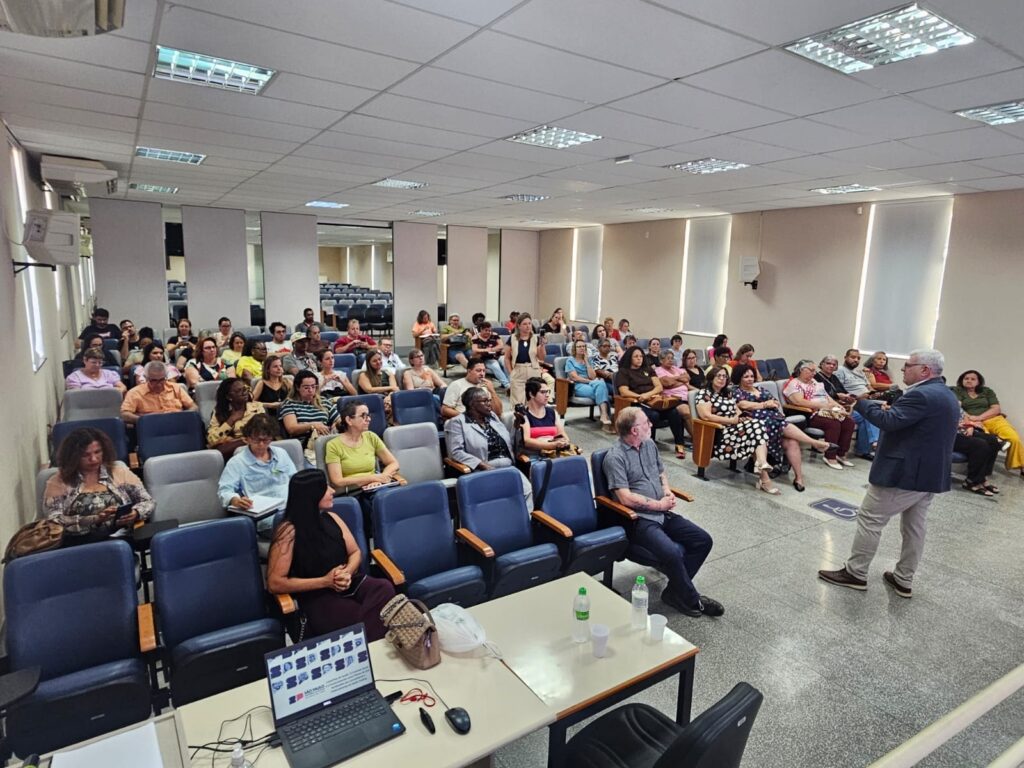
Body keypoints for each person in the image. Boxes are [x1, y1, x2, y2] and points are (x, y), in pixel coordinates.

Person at [819, 350, 960, 598]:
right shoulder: (945, 393)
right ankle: (904, 579)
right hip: (928, 473)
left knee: (870, 519)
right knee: (915, 527)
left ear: (925, 370)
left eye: (908, 366)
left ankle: (856, 573)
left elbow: (889, 423)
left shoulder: (921, 395)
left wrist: (860, 402)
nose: (903, 370)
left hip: (904, 472)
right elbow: (912, 424)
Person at [603, 407, 722, 618]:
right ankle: (692, 598)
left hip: (663, 512)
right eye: (646, 423)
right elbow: (625, 498)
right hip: (638, 519)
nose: (651, 425)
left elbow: (660, 472)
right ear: (633, 430)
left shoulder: (649, 445)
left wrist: (666, 491)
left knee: (703, 540)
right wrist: (659, 505)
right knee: (672, 552)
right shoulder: (615, 457)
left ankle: (675, 592)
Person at [267, 470, 395, 641]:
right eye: (325, 488)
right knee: (354, 614)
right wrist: (326, 581)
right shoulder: (288, 532)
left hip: (348, 582)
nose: (332, 491)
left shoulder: (333, 517)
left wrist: (347, 572)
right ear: (312, 496)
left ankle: (367, 641)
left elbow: (356, 552)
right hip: (316, 593)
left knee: (384, 587)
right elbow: (275, 583)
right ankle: (374, 646)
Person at [43, 427, 154, 545]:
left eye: (97, 452)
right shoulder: (60, 481)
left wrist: (136, 513)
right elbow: (54, 520)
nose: (93, 459)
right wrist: (94, 519)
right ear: (73, 456)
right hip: (77, 543)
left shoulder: (119, 472)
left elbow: (148, 501)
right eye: (85, 455)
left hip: (119, 539)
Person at [733, 364, 831, 492]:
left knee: (792, 441)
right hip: (756, 424)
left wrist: (769, 404)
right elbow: (743, 404)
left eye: (752, 376)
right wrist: (764, 404)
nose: (750, 379)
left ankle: (799, 478)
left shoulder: (761, 389)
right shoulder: (736, 391)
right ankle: (814, 442)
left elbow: (775, 402)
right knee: (780, 423)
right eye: (746, 377)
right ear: (739, 378)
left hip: (773, 419)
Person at [696, 366, 777, 494]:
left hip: (735, 429)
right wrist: (731, 421)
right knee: (757, 431)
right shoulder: (704, 393)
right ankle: (764, 475)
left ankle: (761, 464)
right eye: (719, 376)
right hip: (719, 433)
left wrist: (742, 418)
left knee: (758, 425)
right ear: (711, 378)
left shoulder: (727, 393)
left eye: (725, 376)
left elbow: (737, 411)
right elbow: (706, 416)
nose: (722, 379)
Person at [444, 387, 530, 500]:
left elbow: (510, 443)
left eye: (489, 400)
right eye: (485, 401)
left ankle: (524, 517)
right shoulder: (457, 422)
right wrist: (483, 465)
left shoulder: (492, 417)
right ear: (472, 404)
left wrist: (516, 426)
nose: (490, 404)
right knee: (503, 497)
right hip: (483, 469)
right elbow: (456, 452)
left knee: (527, 491)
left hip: (509, 467)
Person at [615, 346, 688, 460]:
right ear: (630, 358)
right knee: (654, 415)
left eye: (641, 356)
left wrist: (647, 395)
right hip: (636, 403)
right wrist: (640, 396)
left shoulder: (648, 369)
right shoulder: (624, 372)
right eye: (636, 356)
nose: (639, 359)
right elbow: (624, 391)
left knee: (674, 413)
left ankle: (679, 445)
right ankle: (649, 446)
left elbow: (659, 387)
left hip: (653, 400)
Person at [783, 360, 854, 470]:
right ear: (801, 370)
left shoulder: (814, 382)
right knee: (833, 423)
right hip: (810, 413)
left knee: (848, 422)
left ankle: (840, 454)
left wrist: (838, 406)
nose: (814, 373)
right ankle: (830, 456)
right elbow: (799, 402)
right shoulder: (795, 384)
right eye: (811, 370)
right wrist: (823, 406)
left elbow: (826, 396)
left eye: (814, 371)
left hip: (826, 410)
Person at [951, 370, 1023, 477]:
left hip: (994, 419)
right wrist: (971, 420)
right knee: (986, 442)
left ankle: (1022, 466)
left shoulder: (987, 391)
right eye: (966, 378)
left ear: (979, 381)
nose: (969, 381)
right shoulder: (957, 391)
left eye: (972, 379)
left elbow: (996, 408)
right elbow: (957, 407)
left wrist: (979, 417)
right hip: (972, 421)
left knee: (1014, 438)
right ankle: (982, 472)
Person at [218, 414, 297, 512]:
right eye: (257, 439)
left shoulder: (281, 454)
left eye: (266, 440)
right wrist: (235, 500)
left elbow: (295, 480)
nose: (261, 444)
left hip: (289, 507)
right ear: (247, 438)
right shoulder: (237, 462)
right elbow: (225, 490)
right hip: (262, 514)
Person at [324, 400, 400, 496]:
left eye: (368, 415)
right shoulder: (333, 445)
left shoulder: (371, 436)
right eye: (363, 416)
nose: (368, 419)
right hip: (353, 492)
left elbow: (393, 463)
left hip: (375, 487)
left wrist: (381, 478)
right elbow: (337, 481)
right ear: (349, 420)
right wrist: (373, 478)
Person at [833, 348, 881, 460]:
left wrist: (874, 394)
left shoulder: (860, 373)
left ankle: (863, 450)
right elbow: (838, 391)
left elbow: (870, 387)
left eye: (858, 358)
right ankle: (874, 442)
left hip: (867, 401)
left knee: (872, 414)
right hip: (852, 405)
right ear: (845, 358)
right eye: (853, 357)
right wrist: (859, 397)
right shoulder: (840, 371)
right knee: (870, 414)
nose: (856, 360)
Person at [121, 361, 197, 424]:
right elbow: (124, 414)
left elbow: (194, 407)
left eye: (162, 380)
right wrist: (144, 420)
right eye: (154, 380)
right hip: (150, 427)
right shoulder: (135, 392)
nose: (159, 384)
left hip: (177, 423)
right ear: (146, 378)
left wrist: (182, 416)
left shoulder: (176, 388)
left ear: (166, 377)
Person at [207, 378, 265, 458]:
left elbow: (265, 430)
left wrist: (239, 440)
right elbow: (211, 440)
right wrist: (231, 420)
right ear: (229, 397)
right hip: (231, 453)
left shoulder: (257, 407)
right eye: (239, 391)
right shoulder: (219, 412)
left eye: (245, 389)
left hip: (257, 448)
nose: (244, 392)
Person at [516, 377, 572, 458]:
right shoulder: (523, 414)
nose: (547, 395)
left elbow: (562, 433)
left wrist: (565, 442)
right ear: (531, 394)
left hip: (555, 452)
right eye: (543, 392)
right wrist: (551, 445)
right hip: (535, 454)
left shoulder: (552, 412)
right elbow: (527, 441)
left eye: (548, 391)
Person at [280, 370, 333, 454]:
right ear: (297, 387)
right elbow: (292, 428)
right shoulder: (289, 404)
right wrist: (313, 425)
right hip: (303, 445)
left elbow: (339, 420)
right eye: (306, 387)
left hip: (326, 441)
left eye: (313, 386)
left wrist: (335, 425)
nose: (311, 390)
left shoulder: (324, 401)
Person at [505, 312, 551, 407]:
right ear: (519, 326)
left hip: (533, 370)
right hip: (518, 370)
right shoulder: (512, 338)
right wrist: (511, 372)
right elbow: (507, 358)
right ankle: (519, 421)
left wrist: (542, 345)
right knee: (518, 402)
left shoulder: (535, 338)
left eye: (529, 323)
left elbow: (541, 358)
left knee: (534, 400)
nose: (528, 326)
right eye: (525, 324)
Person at [565, 340, 613, 431]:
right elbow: (575, 378)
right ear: (575, 348)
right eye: (579, 346)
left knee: (601, 384)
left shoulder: (589, 359)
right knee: (602, 390)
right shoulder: (570, 360)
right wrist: (590, 382)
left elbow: (593, 376)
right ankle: (605, 416)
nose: (582, 348)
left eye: (583, 346)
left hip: (591, 383)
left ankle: (603, 415)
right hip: (578, 385)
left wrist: (587, 361)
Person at [955, 408, 1001, 497]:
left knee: (993, 440)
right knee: (980, 445)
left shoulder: (952, 399)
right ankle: (971, 481)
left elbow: (963, 415)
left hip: (962, 430)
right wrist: (959, 425)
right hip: (949, 434)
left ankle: (982, 478)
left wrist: (970, 426)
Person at [654, 349, 693, 438]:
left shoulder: (676, 368)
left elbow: (687, 377)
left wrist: (674, 380)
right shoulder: (659, 370)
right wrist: (681, 380)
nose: (671, 360)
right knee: (686, 412)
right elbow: (667, 383)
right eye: (668, 358)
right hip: (674, 399)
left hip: (688, 396)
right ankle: (698, 440)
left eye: (672, 358)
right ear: (661, 360)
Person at [357, 349, 399, 420]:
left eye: (379, 359)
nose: (378, 362)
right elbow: (369, 390)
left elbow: (394, 389)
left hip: (387, 401)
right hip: (371, 401)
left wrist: (389, 397)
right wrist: (390, 388)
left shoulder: (388, 373)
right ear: (369, 363)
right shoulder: (364, 375)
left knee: (393, 401)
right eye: (374, 361)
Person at [471, 322, 510, 390]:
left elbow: (501, 346)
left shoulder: (494, 335)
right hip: (486, 358)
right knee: (495, 366)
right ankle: (507, 385)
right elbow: (475, 350)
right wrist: (486, 350)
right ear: (481, 329)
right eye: (486, 330)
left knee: (505, 362)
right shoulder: (476, 337)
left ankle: (511, 382)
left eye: (489, 330)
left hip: (498, 355)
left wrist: (492, 349)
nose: (488, 332)